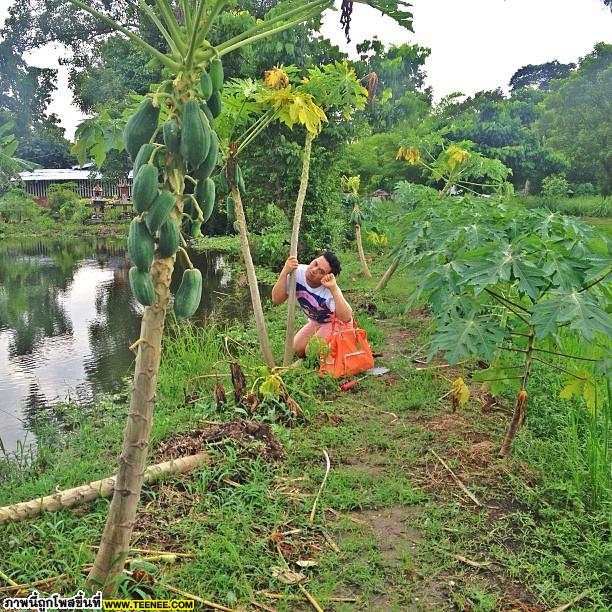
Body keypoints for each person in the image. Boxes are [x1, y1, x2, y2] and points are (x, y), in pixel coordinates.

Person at [271, 251, 353, 357]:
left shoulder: (329, 289)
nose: (314, 270)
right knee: (296, 348)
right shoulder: (296, 272)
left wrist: (334, 288)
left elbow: (346, 318)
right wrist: (284, 272)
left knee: (311, 351)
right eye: (315, 263)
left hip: (336, 323)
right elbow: (276, 299)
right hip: (317, 321)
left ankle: (343, 348)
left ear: (327, 276)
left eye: (321, 271)